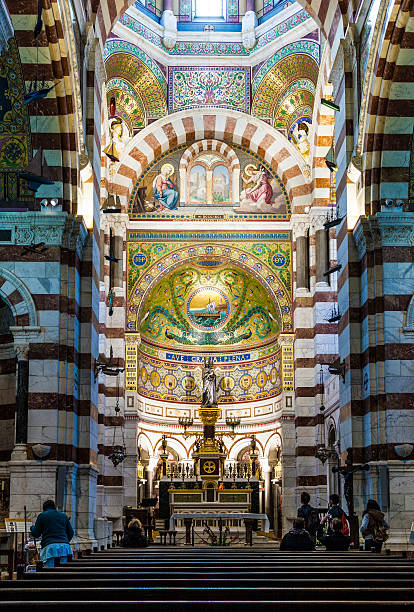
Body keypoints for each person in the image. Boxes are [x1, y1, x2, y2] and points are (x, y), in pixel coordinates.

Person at [30, 500, 74, 568]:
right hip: (65, 548)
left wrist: (32, 528)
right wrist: (64, 540)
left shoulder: (42, 515)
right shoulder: (63, 516)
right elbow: (71, 532)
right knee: (65, 573)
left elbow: (36, 534)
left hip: (50, 548)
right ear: (54, 507)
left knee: (50, 573)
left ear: (44, 508)